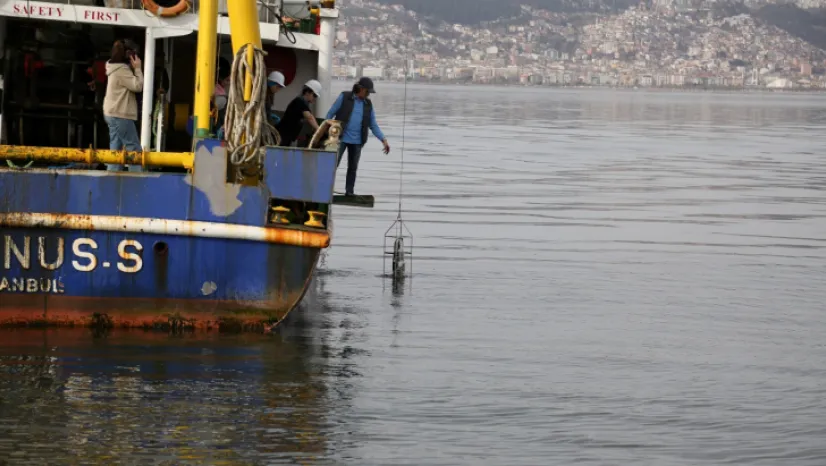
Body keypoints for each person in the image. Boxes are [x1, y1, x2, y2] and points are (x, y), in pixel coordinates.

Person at [325, 77, 390, 196]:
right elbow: (330, 114)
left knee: (353, 168)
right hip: (339, 138)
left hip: (357, 141)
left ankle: (349, 191)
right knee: (333, 165)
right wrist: (325, 130)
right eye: (367, 92)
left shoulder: (368, 105)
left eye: (369, 93)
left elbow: (373, 125)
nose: (368, 95)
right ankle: (325, 189)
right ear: (360, 89)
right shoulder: (344, 97)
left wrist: (383, 140)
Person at [103, 39, 143, 172]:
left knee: (116, 150)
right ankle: (138, 182)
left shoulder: (113, 67)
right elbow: (138, 86)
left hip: (111, 112)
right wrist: (137, 68)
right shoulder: (122, 70)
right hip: (120, 114)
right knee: (134, 149)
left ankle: (111, 179)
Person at [276, 79, 321, 147]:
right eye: (314, 95)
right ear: (307, 92)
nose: (315, 98)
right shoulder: (299, 102)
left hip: (287, 137)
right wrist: (319, 129)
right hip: (282, 136)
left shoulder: (303, 103)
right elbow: (310, 117)